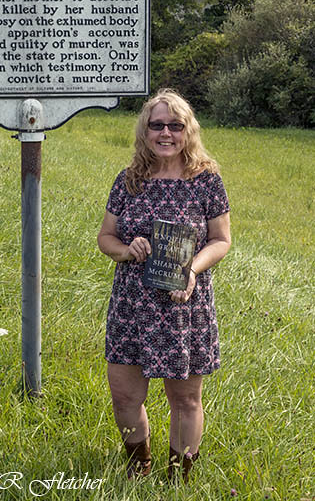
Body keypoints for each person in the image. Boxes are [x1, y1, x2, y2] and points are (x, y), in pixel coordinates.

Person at [97, 88, 231, 482]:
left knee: (185, 399)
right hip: (132, 304)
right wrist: (125, 249)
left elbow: (221, 240)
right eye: (158, 125)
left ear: (188, 130)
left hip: (183, 303)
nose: (166, 133)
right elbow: (105, 237)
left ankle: (178, 478)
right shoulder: (129, 180)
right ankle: (139, 469)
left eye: (176, 125)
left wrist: (193, 268)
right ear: (145, 130)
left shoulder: (206, 180)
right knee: (124, 397)